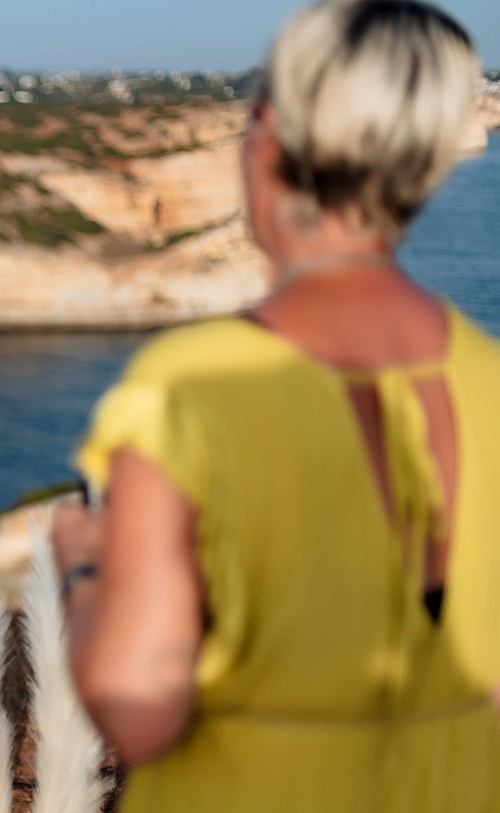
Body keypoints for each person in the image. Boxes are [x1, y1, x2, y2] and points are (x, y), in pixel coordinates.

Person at [51, 2, 499, 810]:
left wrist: (84, 570)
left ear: (270, 140)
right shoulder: (485, 376)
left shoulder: (190, 384)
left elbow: (139, 711)